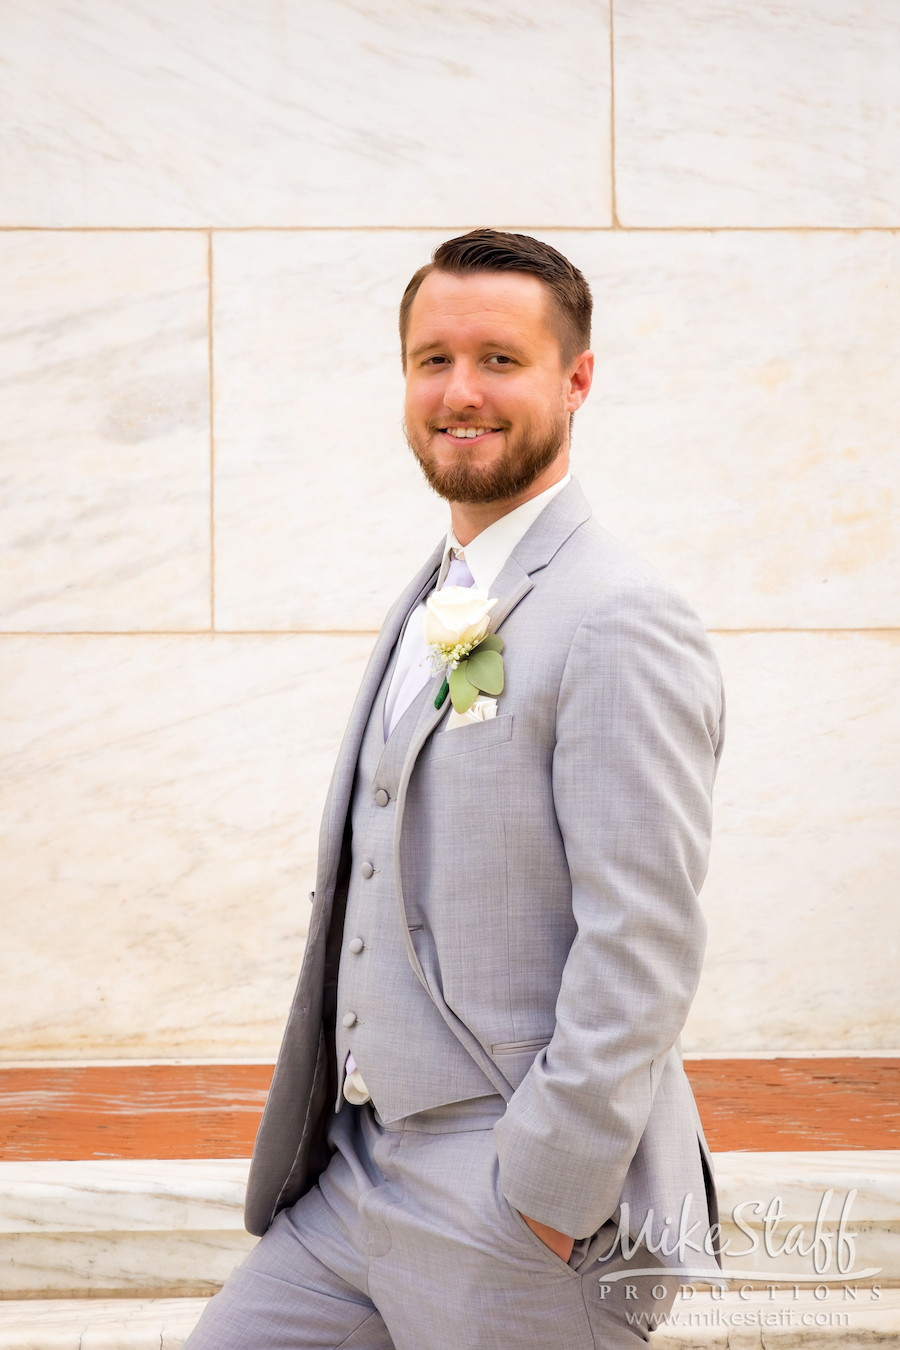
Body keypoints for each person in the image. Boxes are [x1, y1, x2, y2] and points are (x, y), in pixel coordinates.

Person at [185, 229, 725, 1350]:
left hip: (508, 1194)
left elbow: (645, 938)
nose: (460, 390)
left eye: (500, 359)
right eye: (433, 359)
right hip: (350, 1180)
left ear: (577, 380)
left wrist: (545, 1190)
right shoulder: (434, 590)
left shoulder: (621, 615)